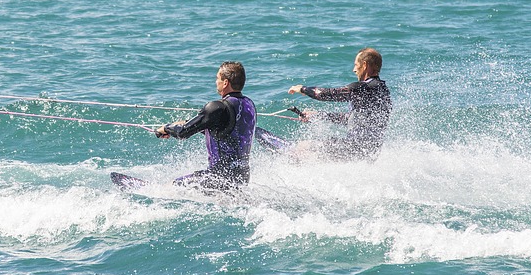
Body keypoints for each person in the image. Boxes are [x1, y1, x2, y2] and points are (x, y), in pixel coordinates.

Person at [257, 47, 391, 160]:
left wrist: (302, 89)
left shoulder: (363, 88)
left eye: (356, 65)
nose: (354, 70)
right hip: (370, 152)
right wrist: (319, 115)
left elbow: (327, 94)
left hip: (352, 148)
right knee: (314, 155)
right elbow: (354, 120)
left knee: (304, 147)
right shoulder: (383, 91)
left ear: (365, 65)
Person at [155, 61, 257, 191]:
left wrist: (166, 128)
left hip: (217, 178)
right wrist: (189, 123)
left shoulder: (216, 107)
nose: (216, 82)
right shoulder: (249, 105)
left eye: (217, 78)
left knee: (169, 187)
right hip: (241, 178)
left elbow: (182, 133)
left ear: (225, 83)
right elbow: (230, 134)